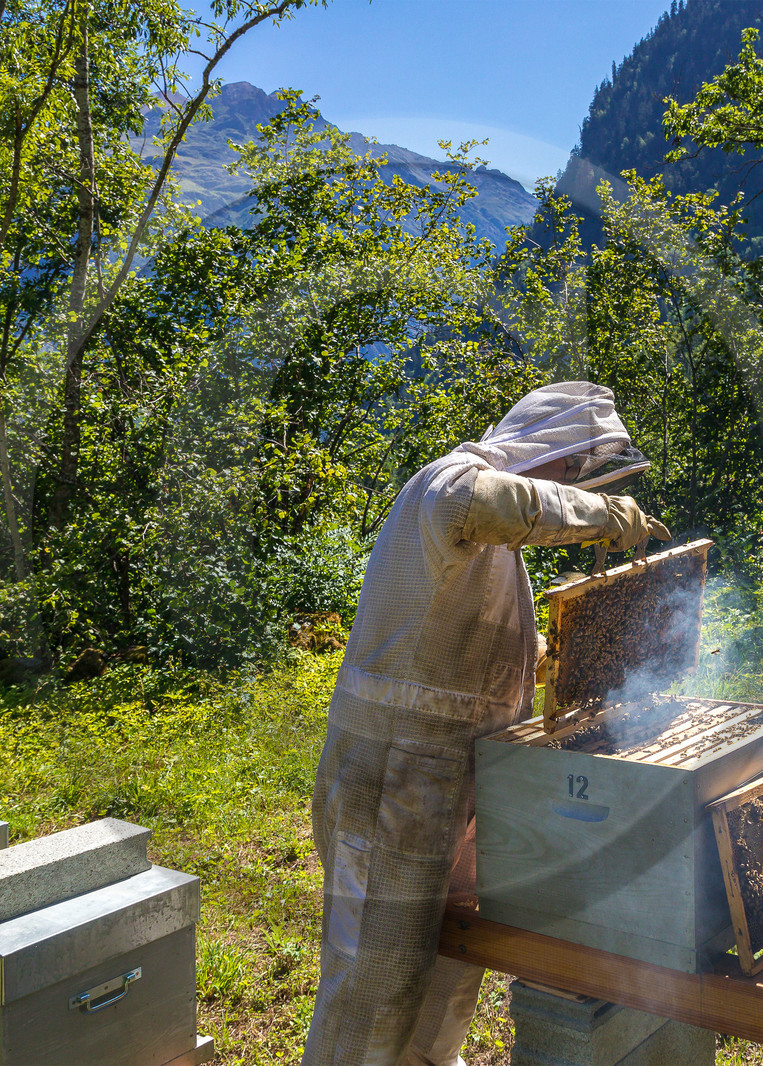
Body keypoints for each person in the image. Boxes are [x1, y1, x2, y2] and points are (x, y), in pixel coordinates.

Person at [302, 382, 669, 1066]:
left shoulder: (498, 551)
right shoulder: (449, 483)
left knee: (454, 953)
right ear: (540, 445)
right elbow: (482, 503)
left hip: (462, 776)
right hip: (391, 774)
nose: (572, 483)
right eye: (570, 467)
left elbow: (463, 650)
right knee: (372, 979)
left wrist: (558, 654)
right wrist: (601, 514)